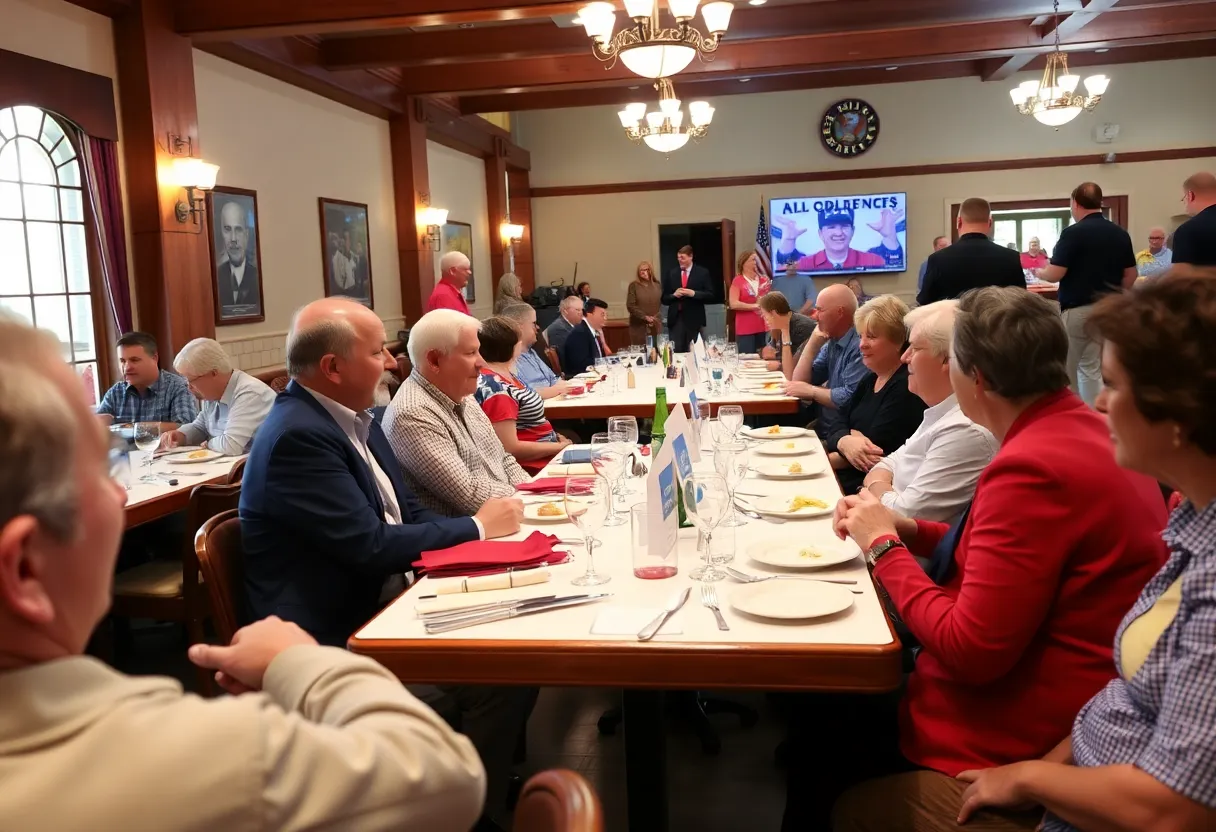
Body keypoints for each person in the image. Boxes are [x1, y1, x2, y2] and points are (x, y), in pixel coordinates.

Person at [0, 312, 486, 832]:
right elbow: (444, 778)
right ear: (26, 569)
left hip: (368, 598)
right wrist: (300, 664)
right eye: (102, 468)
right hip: (329, 627)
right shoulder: (187, 760)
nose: (120, 492)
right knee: (490, 679)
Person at [818, 287, 1166, 832]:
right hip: (1070, 706)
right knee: (831, 721)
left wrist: (884, 547)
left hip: (1008, 732)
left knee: (825, 755)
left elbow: (970, 649)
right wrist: (909, 529)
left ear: (974, 376)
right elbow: (1004, 556)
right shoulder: (1088, 430)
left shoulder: (1030, 465)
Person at [240, 300, 531, 828]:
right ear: (333, 368)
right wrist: (479, 528)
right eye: (378, 353)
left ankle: (462, 783)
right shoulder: (297, 438)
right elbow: (370, 546)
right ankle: (460, 811)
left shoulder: (357, 419)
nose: (395, 363)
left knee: (518, 640)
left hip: (387, 596)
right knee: (502, 675)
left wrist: (475, 542)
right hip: (336, 629)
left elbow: (407, 511)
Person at [952, 276, 1216, 832]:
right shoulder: (1193, 519)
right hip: (1075, 774)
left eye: (1114, 385)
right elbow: (1129, 689)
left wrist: (1026, 779)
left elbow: (1172, 810)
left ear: (1179, 416)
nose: (1098, 400)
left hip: (1092, 808)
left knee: (851, 800)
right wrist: (1045, 770)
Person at [385, 309, 531, 517]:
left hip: (508, 513)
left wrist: (534, 491)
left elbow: (503, 459)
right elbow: (469, 495)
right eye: (471, 353)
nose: (482, 362)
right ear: (434, 360)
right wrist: (528, 500)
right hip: (466, 537)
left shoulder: (461, 392)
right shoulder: (412, 414)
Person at [863, 301, 997, 524]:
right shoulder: (942, 412)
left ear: (948, 358)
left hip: (904, 552)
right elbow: (889, 462)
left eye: (914, 348)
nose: (904, 358)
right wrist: (884, 489)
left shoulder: (966, 428)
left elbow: (905, 516)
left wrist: (875, 488)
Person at [1034, 182, 1137, 408]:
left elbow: (1056, 273)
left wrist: (1040, 271)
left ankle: (1071, 419)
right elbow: (1131, 275)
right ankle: (1094, 416)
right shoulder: (1119, 233)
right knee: (1092, 369)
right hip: (1108, 311)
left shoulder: (1073, 233)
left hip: (1078, 310)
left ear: (1076, 204)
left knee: (1066, 370)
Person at [821, 295, 927, 494]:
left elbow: (873, 456)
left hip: (866, 490)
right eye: (860, 336)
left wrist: (846, 437)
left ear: (897, 341)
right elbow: (837, 422)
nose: (862, 344)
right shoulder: (870, 379)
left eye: (871, 336)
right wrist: (847, 440)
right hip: (844, 479)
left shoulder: (905, 386)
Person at [475, 317, 571, 474]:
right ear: (514, 346)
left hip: (546, 454)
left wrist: (556, 439)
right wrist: (560, 447)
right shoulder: (496, 388)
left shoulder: (507, 375)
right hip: (533, 467)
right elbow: (511, 447)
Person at [158, 337, 276, 455]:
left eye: (191, 380)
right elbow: (201, 427)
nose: (189, 387)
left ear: (213, 373)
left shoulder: (249, 393)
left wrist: (207, 444)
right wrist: (181, 435)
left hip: (261, 467)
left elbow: (231, 445)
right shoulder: (213, 394)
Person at [782, 284, 867, 441]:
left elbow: (849, 398)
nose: (814, 315)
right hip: (823, 427)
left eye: (820, 310)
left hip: (842, 436)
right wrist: (813, 344)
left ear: (839, 312)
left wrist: (812, 391)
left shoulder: (861, 345)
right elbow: (798, 383)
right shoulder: (833, 341)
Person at [917, 198, 1025, 306]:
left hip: (954, 323)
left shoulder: (937, 259)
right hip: (995, 322)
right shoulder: (1011, 257)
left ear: (958, 222)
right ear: (990, 223)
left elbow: (925, 303)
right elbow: (1021, 302)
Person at [95, 331, 198, 431]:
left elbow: (187, 428)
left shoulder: (177, 387)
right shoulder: (116, 392)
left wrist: (132, 428)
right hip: (124, 449)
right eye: (122, 361)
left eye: (134, 360)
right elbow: (95, 427)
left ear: (154, 358)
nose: (127, 368)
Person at [775, 207, 903, 271]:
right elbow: (783, 271)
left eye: (845, 226)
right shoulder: (806, 263)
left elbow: (893, 264)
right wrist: (788, 241)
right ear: (820, 233)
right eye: (831, 227)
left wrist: (890, 236)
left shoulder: (873, 260)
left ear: (853, 231)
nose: (839, 232)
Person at [498, 302, 567, 399]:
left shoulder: (531, 352)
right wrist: (558, 389)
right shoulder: (509, 359)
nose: (538, 327)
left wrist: (563, 387)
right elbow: (526, 394)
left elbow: (553, 379)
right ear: (518, 326)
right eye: (534, 323)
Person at [661, 245, 713, 352]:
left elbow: (710, 295)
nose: (680, 260)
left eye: (683, 258)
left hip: (694, 319)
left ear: (691, 257)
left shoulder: (702, 273)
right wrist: (674, 295)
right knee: (677, 352)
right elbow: (664, 299)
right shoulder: (672, 273)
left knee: (695, 352)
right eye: (678, 258)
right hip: (676, 320)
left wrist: (693, 293)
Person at [215, 199, 260, 316]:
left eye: (238, 229)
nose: (233, 239)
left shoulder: (257, 276)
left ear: (246, 234)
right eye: (227, 229)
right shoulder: (216, 277)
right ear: (221, 233)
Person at [758, 292, 816, 379]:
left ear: (774, 313)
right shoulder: (781, 323)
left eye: (765, 317)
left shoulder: (802, 328)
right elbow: (772, 352)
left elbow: (790, 373)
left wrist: (779, 366)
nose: (765, 321)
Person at [729, 250, 772, 354]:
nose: (756, 262)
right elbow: (733, 303)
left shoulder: (764, 281)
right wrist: (755, 306)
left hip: (763, 326)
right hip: (745, 327)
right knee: (747, 358)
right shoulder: (738, 281)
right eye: (753, 259)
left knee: (763, 357)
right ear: (744, 263)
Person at [1172, 171, 1216, 266]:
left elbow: (1181, 275)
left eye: (1184, 199)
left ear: (1190, 195)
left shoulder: (1188, 230)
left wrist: (1151, 280)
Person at [562, 298, 611, 377]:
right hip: (581, 379)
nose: (605, 318)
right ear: (589, 314)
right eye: (602, 315)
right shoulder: (580, 333)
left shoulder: (589, 330)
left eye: (606, 315)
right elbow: (581, 365)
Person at [626, 260, 663, 345]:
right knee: (641, 351)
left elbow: (662, 303)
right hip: (639, 326)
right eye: (641, 270)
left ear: (650, 271)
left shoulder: (657, 285)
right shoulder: (634, 286)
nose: (644, 272)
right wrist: (645, 317)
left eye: (646, 269)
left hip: (655, 324)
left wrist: (656, 317)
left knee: (656, 350)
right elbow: (630, 305)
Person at [426, 250, 473, 315]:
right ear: (452, 271)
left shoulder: (452, 292)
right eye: (466, 269)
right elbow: (449, 325)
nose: (470, 273)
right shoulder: (443, 296)